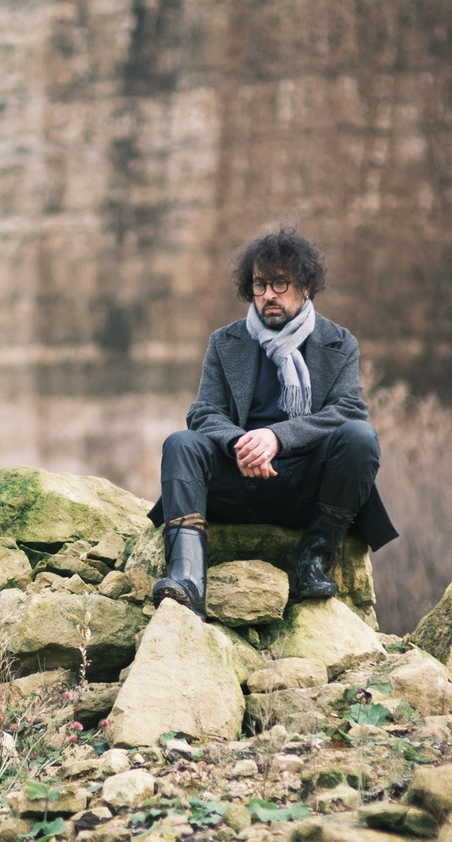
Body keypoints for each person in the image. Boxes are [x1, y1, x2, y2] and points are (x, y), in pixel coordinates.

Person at [149, 222, 398, 614]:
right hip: (237, 480)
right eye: (260, 285)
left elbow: (347, 410)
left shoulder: (339, 342)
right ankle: (187, 580)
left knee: (360, 437)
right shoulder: (225, 341)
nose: (268, 295)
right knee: (180, 443)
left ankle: (313, 562)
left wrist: (277, 437)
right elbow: (203, 412)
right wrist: (240, 442)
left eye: (279, 284)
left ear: (306, 286)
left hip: (306, 488)